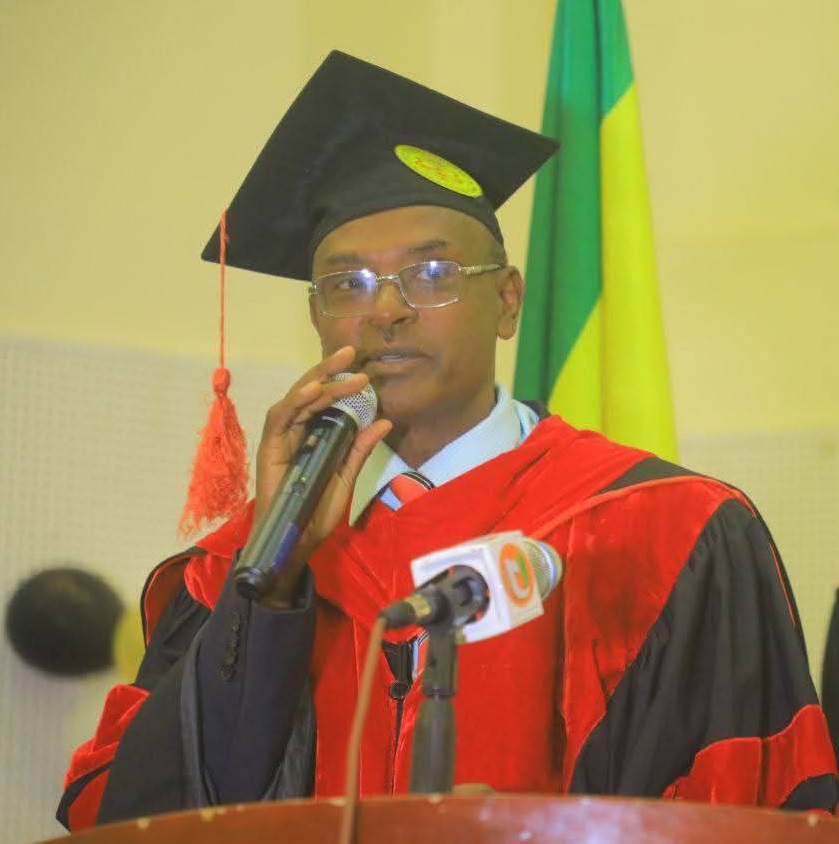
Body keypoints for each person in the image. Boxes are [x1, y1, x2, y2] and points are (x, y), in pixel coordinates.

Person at [58, 51, 837, 831]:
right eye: (348, 284)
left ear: (507, 301)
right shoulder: (243, 563)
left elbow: (746, 813)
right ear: (317, 316)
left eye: (431, 273)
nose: (385, 311)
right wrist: (273, 582)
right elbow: (137, 821)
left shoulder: (667, 530)